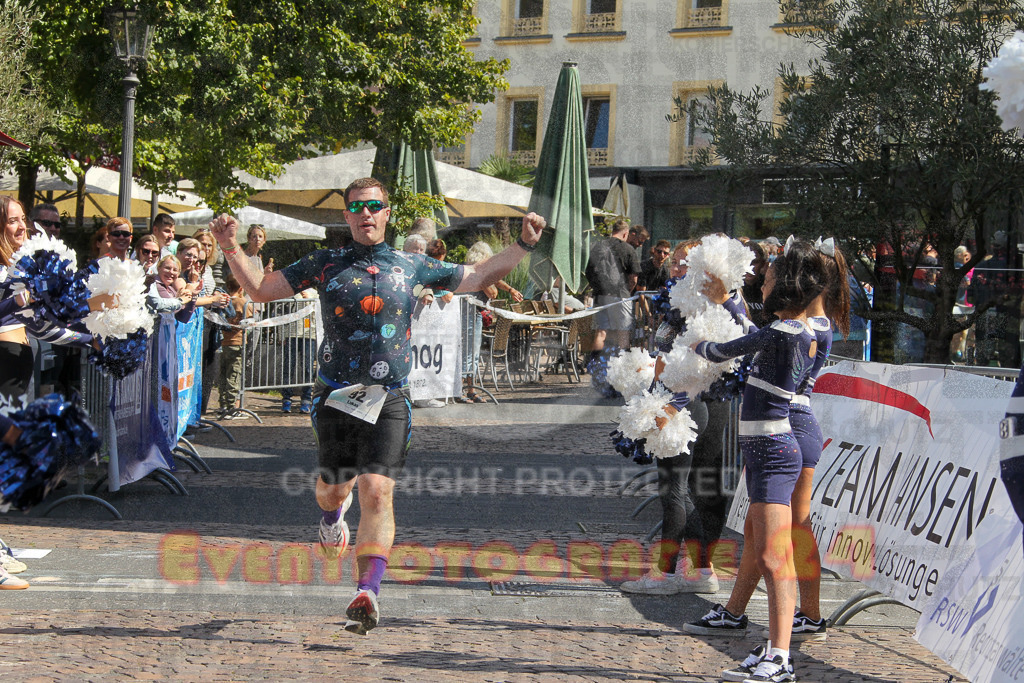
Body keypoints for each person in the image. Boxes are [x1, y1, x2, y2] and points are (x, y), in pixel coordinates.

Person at [209, 177, 546, 635]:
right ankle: (331, 520)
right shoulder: (325, 263)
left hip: (391, 397)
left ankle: (367, 591)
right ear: (346, 215)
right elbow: (263, 291)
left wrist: (525, 244)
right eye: (357, 207)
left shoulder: (412, 265)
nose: (366, 214)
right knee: (336, 489)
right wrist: (231, 248)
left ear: (387, 214)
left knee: (377, 491)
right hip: (336, 395)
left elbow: (480, 276)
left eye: (374, 206)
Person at [688, 238, 828, 683]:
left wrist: (693, 347)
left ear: (785, 286)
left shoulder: (786, 332)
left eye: (767, 280)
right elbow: (753, 337)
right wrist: (729, 304)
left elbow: (719, 352)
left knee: (773, 556)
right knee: (768, 549)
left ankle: (780, 655)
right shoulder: (800, 330)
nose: (761, 285)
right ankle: (775, 646)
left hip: (772, 449)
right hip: (775, 446)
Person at [619, 240, 720, 596]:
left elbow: (698, 367)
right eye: (674, 263)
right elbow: (664, 356)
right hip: (672, 401)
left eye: (682, 264)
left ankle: (666, 575)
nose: (674, 269)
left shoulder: (700, 309)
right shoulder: (680, 304)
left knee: (673, 492)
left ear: (700, 271)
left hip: (683, 406)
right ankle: (704, 571)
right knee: (680, 491)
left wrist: (671, 406)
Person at [585, 218, 640, 360]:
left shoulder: (597, 246)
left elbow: (588, 272)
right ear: (625, 233)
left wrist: (598, 289)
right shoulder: (628, 249)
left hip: (600, 295)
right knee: (623, 332)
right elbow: (634, 278)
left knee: (601, 332)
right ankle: (621, 366)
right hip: (621, 295)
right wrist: (627, 291)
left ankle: (596, 364)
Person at [216, 272, 252, 419]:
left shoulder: (224, 301)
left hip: (225, 342)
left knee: (224, 373)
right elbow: (250, 320)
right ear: (241, 288)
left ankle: (222, 403)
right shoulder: (243, 303)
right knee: (234, 374)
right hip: (237, 342)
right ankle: (232, 407)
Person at [147, 255, 197, 323]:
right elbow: (167, 309)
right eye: (167, 268)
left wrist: (192, 297)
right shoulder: (155, 285)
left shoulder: (171, 289)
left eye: (175, 270)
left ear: (179, 273)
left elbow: (183, 317)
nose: (171, 272)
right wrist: (181, 300)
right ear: (159, 268)